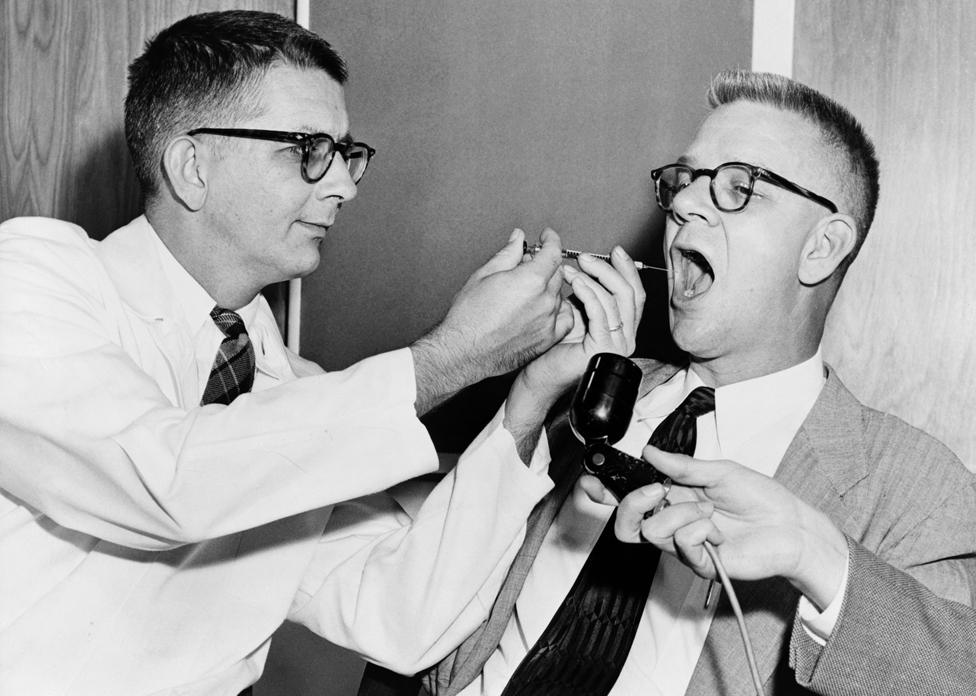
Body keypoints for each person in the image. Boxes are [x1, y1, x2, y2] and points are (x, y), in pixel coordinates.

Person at [0, 10, 647, 696]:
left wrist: (526, 404)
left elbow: (400, 617)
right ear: (192, 167)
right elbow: (166, 479)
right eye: (308, 149)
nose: (344, 185)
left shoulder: (292, 391)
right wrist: (455, 357)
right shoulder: (34, 280)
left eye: (346, 153)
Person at [420, 70, 976, 695]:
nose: (683, 204)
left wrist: (818, 554)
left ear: (821, 247)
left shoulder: (918, 489)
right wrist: (529, 401)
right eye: (684, 182)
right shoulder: (584, 392)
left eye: (739, 187)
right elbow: (423, 618)